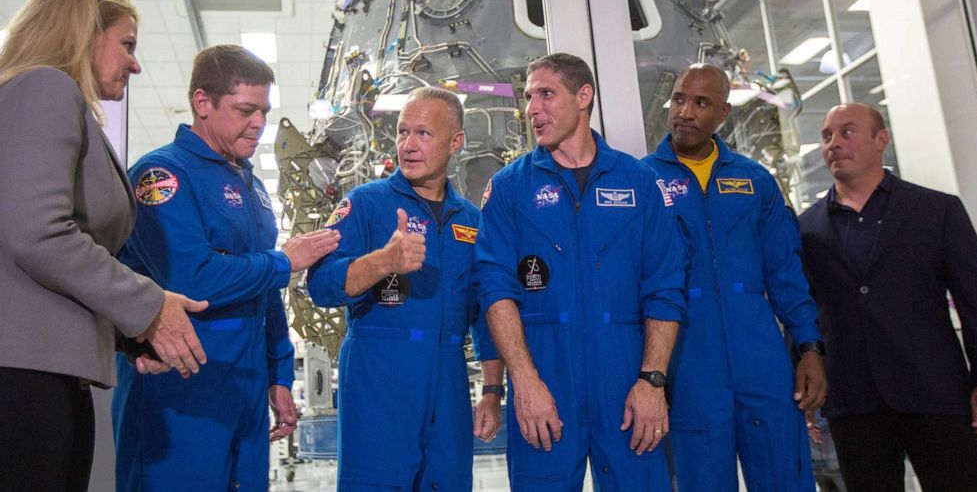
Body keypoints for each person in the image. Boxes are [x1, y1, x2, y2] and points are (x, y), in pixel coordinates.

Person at [0, 0, 208, 492]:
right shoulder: (45, 87)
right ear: (84, 33)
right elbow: (38, 233)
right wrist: (148, 305)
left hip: (42, 368)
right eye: (128, 44)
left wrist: (126, 332)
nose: (135, 64)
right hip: (22, 377)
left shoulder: (42, 97)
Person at [111, 44, 341, 491]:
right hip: (180, 387)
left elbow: (263, 291)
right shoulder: (162, 175)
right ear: (203, 103)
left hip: (244, 385)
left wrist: (277, 373)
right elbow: (191, 278)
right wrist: (284, 261)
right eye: (245, 110)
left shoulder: (250, 185)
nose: (258, 123)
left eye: (264, 111)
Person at [473, 53, 687, 491]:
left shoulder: (638, 182)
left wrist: (652, 381)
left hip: (626, 381)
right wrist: (525, 383)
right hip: (545, 381)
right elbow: (495, 291)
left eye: (546, 94)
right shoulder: (510, 189)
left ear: (584, 96)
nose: (532, 109)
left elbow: (665, 288)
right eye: (528, 97)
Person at [307, 86, 504, 491]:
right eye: (402, 132)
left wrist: (491, 389)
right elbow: (321, 285)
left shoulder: (471, 220)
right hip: (379, 378)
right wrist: (383, 262)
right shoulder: (364, 204)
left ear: (456, 143)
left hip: (448, 381)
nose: (408, 145)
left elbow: (486, 314)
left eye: (423, 134)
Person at [642, 63, 826, 491]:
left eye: (701, 103)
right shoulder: (642, 181)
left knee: (784, 471)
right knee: (702, 478)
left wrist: (810, 347)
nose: (685, 111)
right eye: (680, 100)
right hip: (688, 355)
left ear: (723, 113)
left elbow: (785, 272)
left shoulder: (755, 181)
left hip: (760, 354)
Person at [799, 102, 977, 492]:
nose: (834, 143)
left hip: (935, 393)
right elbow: (802, 312)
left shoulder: (936, 210)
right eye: (827, 136)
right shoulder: (806, 229)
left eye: (847, 132)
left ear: (880, 139)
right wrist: (806, 388)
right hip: (852, 400)